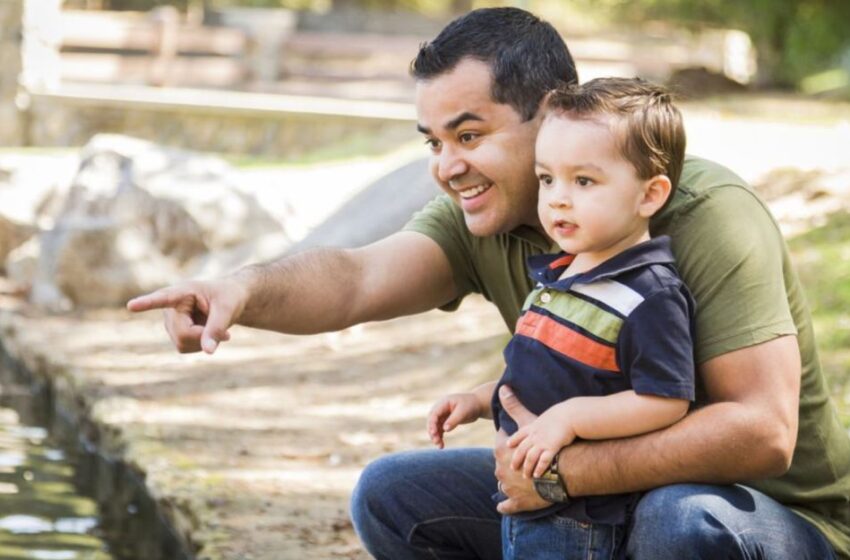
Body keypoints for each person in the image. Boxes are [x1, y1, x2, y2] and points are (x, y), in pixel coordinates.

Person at [127, 7, 850, 560]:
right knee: (391, 496)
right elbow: (353, 279)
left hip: (762, 514)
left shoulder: (698, 213)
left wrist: (567, 476)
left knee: (678, 521)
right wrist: (242, 291)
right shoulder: (486, 218)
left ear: (553, 114)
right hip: (601, 496)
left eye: (469, 136)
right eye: (434, 143)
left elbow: (763, 432)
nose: (447, 166)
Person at [426, 77, 696, 559]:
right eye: (547, 178)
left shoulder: (648, 295)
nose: (557, 198)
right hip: (524, 495)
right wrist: (479, 398)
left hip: (578, 514)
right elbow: (547, 376)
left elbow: (666, 400)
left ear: (650, 195)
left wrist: (568, 420)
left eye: (583, 181)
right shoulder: (561, 276)